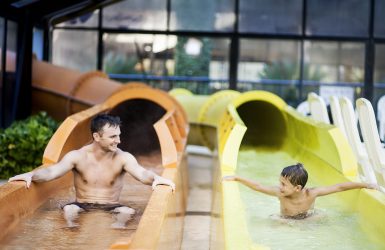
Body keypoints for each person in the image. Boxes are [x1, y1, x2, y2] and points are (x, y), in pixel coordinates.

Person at [9, 114, 175, 228]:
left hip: (112, 205)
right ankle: (70, 230)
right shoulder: (77, 156)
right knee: (69, 210)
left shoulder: (123, 157)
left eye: (118, 135)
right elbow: (52, 172)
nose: (118, 140)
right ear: (96, 137)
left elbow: (142, 174)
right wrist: (30, 175)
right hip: (81, 204)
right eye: (113, 137)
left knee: (128, 211)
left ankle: (118, 228)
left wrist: (156, 178)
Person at [222, 163, 378, 220]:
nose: (280, 187)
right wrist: (236, 177)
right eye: (280, 183)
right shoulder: (279, 193)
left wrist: (364, 185)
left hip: (307, 217)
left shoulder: (312, 193)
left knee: (322, 216)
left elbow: (339, 187)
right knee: (275, 220)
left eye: (284, 184)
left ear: (298, 188)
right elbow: (258, 186)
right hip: (286, 219)